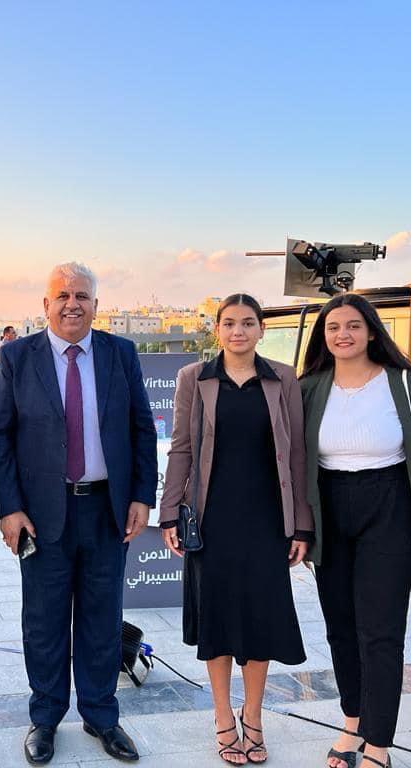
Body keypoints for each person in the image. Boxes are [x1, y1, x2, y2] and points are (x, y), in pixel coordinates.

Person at [0, 262, 157, 764]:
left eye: (81, 296)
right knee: (44, 621)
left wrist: (141, 496)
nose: (72, 304)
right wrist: (10, 509)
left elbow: (141, 428)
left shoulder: (120, 353)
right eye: (62, 296)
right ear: (45, 305)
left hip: (106, 510)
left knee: (102, 619)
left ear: (96, 306)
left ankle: (102, 715)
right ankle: (45, 717)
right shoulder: (17, 356)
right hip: (41, 517)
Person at [300, 293, 411, 768]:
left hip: (389, 507)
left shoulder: (409, 384)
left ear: (372, 331)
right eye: (333, 327)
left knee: (381, 631)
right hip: (330, 508)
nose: (343, 334)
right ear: (323, 336)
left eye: (353, 325)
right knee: (340, 628)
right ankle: (353, 722)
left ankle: (378, 743)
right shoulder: (309, 387)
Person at [160, 294, 312, 765]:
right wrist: (169, 513)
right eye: (229, 323)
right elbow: (181, 448)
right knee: (218, 618)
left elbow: (297, 453)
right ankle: (224, 716)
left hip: (267, 518)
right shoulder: (195, 377)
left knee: (261, 620)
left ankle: (255, 717)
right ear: (217, 329)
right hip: (212, 519)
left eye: (248, 323)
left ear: (262, 329)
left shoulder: (283, 378)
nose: (238, 331)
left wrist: (301, 525)